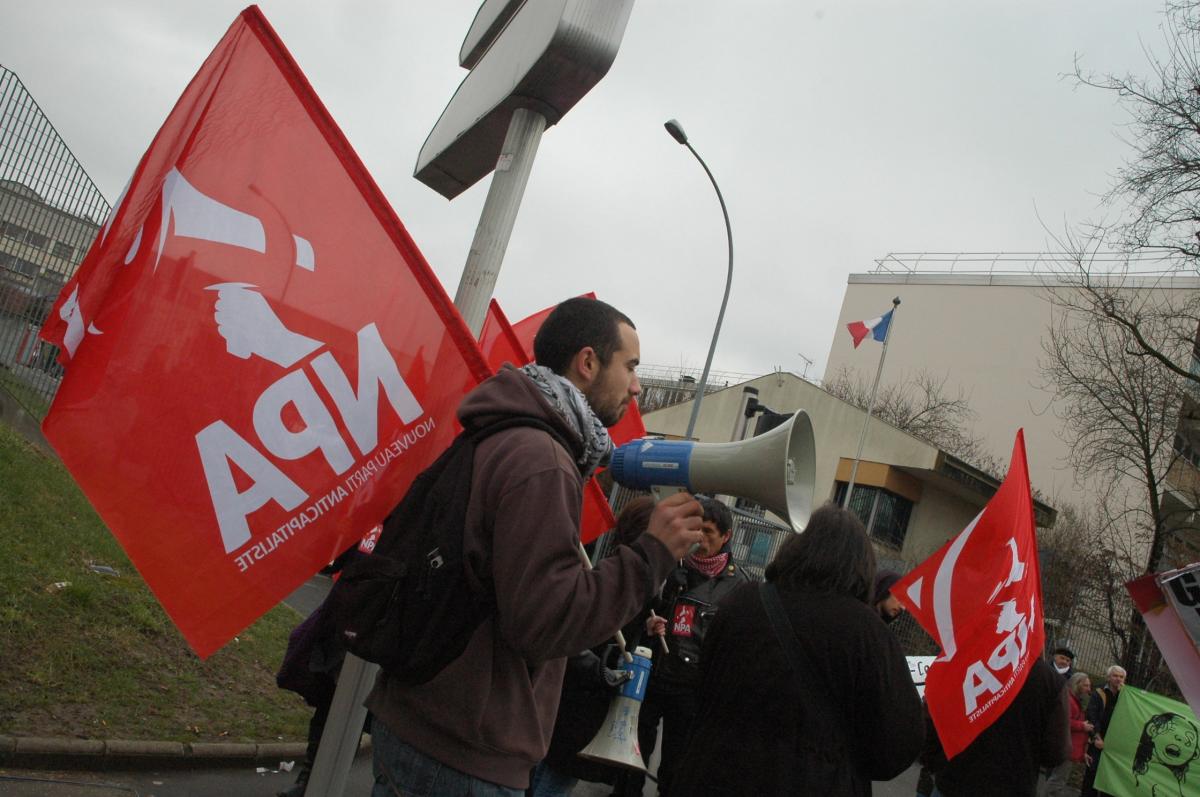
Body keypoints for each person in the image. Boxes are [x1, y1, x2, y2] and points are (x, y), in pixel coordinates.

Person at [365, 297, 705, 796]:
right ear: (587, 363)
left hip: (429, 724)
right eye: (630, 367)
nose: (637, 386)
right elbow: (546, 622)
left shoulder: (510, 434)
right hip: (460, 756)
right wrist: (652, 552)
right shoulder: (541, 459)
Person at [669, 503, 924, 796]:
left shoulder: (742, 602)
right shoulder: (868, 634)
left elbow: (704, 684)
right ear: (862, 566)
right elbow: (899, 742)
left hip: (713, 774)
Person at [617, 496, 748, 796]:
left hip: (692, 689)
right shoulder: (670, 562)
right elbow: (639, 608)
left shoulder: (738, 586)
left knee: (677, 766)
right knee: (632, 756)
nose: (700, 539)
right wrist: (651, 624)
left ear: (726, 537)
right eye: (697, 530)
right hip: (651, 676)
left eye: (709, 533)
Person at [528, 496, 658, 797]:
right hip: (578, 705)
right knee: (551, 782)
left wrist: (644, 631)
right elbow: (583, 640)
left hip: (577, 704)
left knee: (547, 777)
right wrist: (604, 668)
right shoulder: (621, 579)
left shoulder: (626, 577)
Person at [922, 657, 1069, 797]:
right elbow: (1056, 753)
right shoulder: (1051, 682)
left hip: (955, 781)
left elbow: (935, 713)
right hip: (1013, 787)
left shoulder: (968, 658)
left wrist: (934, 762)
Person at [1040, 672, 1092, 797]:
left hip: (1070, 747)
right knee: (1057, 782)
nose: (1089, 689)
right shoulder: (1070, 700)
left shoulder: (1075, 700)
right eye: (1086, 685)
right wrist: (1082, 726)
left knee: (1057, 780)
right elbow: (1064, 721)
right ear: (1077, 684)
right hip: (1067, 747)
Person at [1080, 664, 1126, 797]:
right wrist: (1096, 737)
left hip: (1115, 745)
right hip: (1098, 741)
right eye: (1115, 676)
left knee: (1110, 779)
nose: (1118, 679)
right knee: (1092, 776)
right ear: (1108, 677)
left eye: (1121, 677)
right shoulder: (1099, 693)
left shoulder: (1126, 696)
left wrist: (1123, 695)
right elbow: (1091, 715)